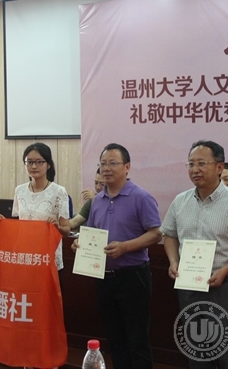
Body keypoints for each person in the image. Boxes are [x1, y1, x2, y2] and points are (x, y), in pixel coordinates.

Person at [161, 140, 228, 369]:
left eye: (201, 163)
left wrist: (225, 270)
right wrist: (173, 261)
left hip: (222, 287)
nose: (195, 169)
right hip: (187, 285)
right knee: (195, 350)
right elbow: (170, 235)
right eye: (191, 164)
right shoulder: (180, 201)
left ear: (219, 167)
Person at [71, 143, 162, 369]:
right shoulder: (97, 201)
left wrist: (126, 247)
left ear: (127, 167)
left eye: (113, 163)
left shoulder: (141, 197)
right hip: (104, 277)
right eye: (103, 163)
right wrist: (80, 244)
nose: (106, 168)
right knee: (115, 339)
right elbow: (91, 233)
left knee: (137, 339)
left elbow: (156, 234)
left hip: (133, 277)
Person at [0, 142, 70, 278]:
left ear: (48, 164)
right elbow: (17, 225)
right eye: (29, 162)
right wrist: (2, 221)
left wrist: (57, 227)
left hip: (48, 257)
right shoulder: (19, 190)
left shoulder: (59, 192)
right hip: (25, 256)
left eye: (39, 162)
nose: (34, 166)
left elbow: (66, 230)